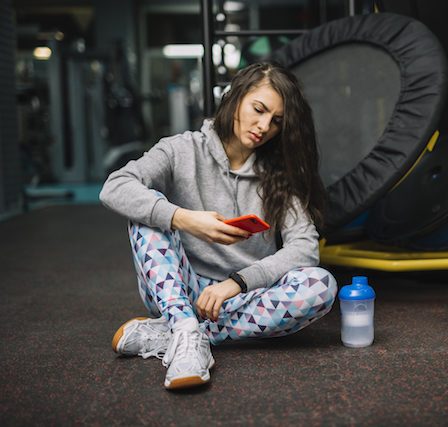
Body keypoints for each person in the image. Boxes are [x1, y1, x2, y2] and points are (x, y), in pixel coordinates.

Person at [100, 61, 338, 390]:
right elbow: (115, 187)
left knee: (321, 285)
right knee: (147, 212)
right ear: (234, 97)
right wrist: (184, 218)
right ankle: (183, 326)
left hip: (242, 296)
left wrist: (238, 282)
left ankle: (181, 334)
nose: (264, 125)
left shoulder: (280, 172)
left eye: (276, 121)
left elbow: (305, 248)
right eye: (258, 109)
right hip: (177, 291)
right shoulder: (180, 149)